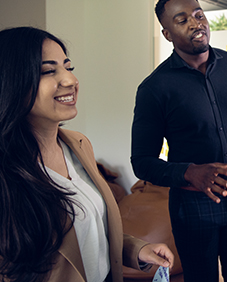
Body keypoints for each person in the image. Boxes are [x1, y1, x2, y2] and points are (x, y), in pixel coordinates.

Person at [0, 26, 174, 282]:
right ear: (11, 82)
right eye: (49, 71)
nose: (70, 80)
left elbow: (91, 230)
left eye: (68, 67)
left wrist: (138, 250)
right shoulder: (7, 171)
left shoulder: (79, 145)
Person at [130, 0, 227, 282]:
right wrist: (189, 173)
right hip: (193, 207)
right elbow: (142, 162)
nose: (196, 23)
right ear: (167, 34)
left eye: (199, 15)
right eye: (182, 19)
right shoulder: (155, 88)